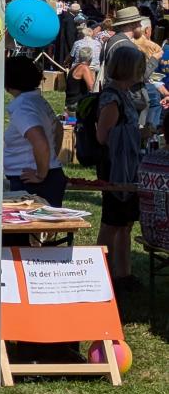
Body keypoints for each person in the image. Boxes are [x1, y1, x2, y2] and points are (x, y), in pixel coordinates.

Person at [96, 44, 146, 289]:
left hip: (127, 164)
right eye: (138, 66)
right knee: (112, 220)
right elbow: (103, 136)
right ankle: (99, 269)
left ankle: (123, 272)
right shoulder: (112, 96)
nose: (142, 70)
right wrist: (135, 133)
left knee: (125, 222)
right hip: (115, 166)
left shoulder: (124, 93)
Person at [2, 56, 66, 207]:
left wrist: (41, 174)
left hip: (32, 183)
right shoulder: (36, 100)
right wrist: (50, 160)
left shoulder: (23, 107)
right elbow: (58, 129)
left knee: (23, 229)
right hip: (46, 176)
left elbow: (40, 141)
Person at [66, 48, 96, 113]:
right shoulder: (84, 68)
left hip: (69, 102)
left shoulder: (74, 67)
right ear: (90, 58)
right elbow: (92, 88)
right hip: (77, 103)